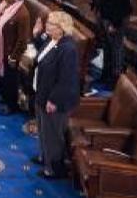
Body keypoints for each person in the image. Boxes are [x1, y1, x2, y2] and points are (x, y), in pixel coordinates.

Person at [32, 10, 80, 180]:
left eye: (51, 24)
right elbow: (42, 56)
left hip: (54, 100)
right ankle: (44, 158)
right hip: (42, 93)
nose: (47, 25)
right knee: (43, 130)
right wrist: (37, 36)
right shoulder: (52, 40)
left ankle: (53, 169)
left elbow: (66, 79)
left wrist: (53, 100)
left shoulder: (68, 49)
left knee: (52, 134)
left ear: (62, 28)